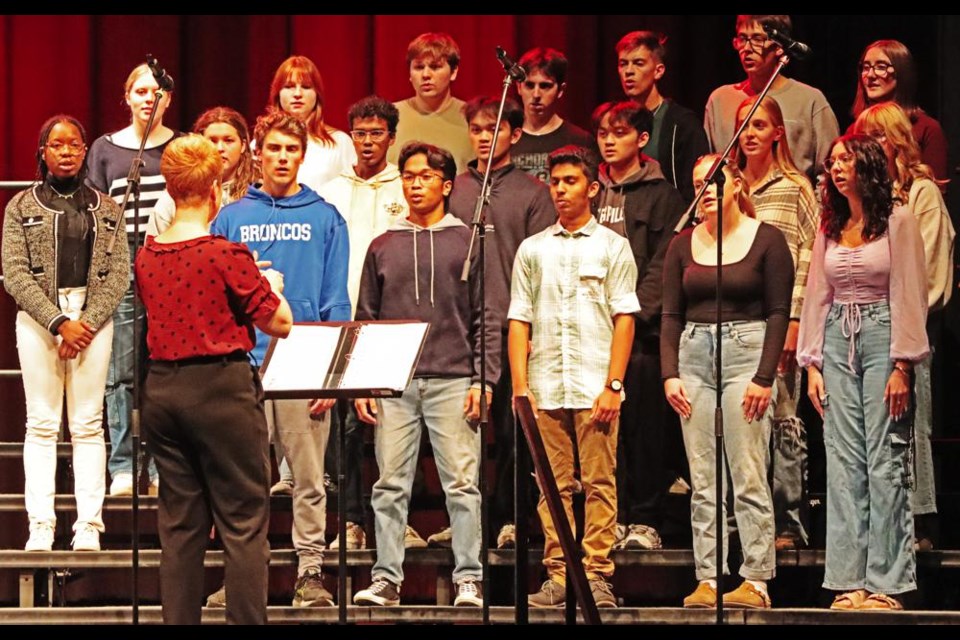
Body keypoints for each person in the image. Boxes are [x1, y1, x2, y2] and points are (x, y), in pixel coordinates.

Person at [136, 135, 292, 624]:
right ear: (215, 192)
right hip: (220, 392)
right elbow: (280, 323)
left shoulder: (147, 255)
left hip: (162, 392)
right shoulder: (226, 253)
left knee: (181, 529)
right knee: (244, 524)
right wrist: (271, 287)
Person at [211, 111, 351, 608]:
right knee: (242, 481)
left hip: (304, 362)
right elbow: (214, 294)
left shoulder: (326, 215)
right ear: (258, 153)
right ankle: (241, 577)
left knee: (309, 479)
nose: (283, 158)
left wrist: (331, 376)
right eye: (274, 149)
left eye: (292, 150)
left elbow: (338, 299)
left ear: (302, 156)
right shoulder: (230, 218)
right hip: (240, 365)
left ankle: (310, 574)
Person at [351, 142, 497, 608]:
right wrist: (364, 383)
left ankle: (469, 578)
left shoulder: (468, 241)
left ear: (447, 184)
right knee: (390, 484)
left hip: (455, 380)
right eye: (409, 176)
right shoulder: (382, 245)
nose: (415, 184)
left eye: (425, 176)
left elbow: (485, 317)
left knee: (462, 484)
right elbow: (366, 318)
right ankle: (386, 579)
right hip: (394, 383)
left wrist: (483, 379)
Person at [798, 134, 929, 611]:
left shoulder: (898, 219)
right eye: (832, 162)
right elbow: (818, 292)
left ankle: (887, 583)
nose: (836, 169)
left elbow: (910, 290)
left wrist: (902, 365)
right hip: (837, 338)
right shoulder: (831, 223)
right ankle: (849, 579)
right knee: (844, 460)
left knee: (885, 458)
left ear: (868, 167)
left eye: (845, 161)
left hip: (881, 334)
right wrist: (812, 363)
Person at [662, 154, 793, 610]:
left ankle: (755, 578)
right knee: (703, 477)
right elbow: (671, 314)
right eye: (699, 183)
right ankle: (709, 577)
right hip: (694, 356)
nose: (707, 189)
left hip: (747, 354)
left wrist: (763, 376)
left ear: (737, 184)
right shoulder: (683, 244)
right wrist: (669, 374)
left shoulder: (767, 240)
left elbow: (779, 311)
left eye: (715, 180)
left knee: (747, 469)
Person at [513, 146, 639, 609]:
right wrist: (521, 387)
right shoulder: (533, 248)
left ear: (592, 187)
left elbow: (624, 317)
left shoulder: (612, 246)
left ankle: (597, 573)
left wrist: (614, 384)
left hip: (594, 384)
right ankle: (560, 574)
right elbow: (519, 319)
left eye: (570, 181)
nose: (561, 189)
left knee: (600, 481)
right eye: (556, 181)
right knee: (552, 485)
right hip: (546, 384)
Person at [3, 115, 128, 553]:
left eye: (74, 144)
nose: (66, 151)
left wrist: (86, 323)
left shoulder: (108, 209)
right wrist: (58, 322)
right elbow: (15, 273)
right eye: (57, 145)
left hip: (92, 321)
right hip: (40, 321)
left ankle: (89, 526)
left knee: (88, 425)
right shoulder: (19, 207)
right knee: (41, 423)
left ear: (84, 151)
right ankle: (41, 525)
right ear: (43, 151)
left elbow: (118, 275)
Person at [448, 95, 556, 550]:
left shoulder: (533, 191)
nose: (484, 137)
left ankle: (512, 518)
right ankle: (464, 525)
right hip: (460, 323)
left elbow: (540, 264)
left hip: (513, 324)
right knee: (458, 430)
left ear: (514, 134)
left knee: (514, 430)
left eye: (493, 129)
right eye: (476, 129)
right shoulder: (455, 188)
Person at [853, 102, 955, 551]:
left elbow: (927, 270)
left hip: (906, 326)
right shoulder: (854, 199)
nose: (871, 147)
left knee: (908, 424)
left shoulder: (920, 193)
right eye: (864, 138)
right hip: (858, 328)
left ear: (897, 143)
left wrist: (901, 326)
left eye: (880, 138)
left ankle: (918, 519)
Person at [86, 62, 183, 497]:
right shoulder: (106, 149)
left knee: (162, 368)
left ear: (168, 99)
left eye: (156, 92)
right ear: (127, 97)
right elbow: (92, 210)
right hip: (120, 259)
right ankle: (124, 465)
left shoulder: (182, 147)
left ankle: (162, 467)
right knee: (120, 369)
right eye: (141, 91)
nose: (149, 98)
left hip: (168, 258)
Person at [592, 101, 685, 552]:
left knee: (644, 430)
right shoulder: (590, 192)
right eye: (604, 134)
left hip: (641, 336)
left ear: (642, 139)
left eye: (620, 133)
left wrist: (629, 315)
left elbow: (663, 266)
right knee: (603, 432)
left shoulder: (662, 196)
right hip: (593, 336)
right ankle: (610, 517)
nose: (609, 141)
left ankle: (646, 519)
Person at [317, 95, 408, 551]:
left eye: (376, 134)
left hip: (393, 323)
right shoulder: (332, 190)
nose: (367, 142)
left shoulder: (403, 187)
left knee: (395, 424)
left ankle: (398, 522)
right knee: (346, 428)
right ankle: (350, 521)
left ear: (392, 137)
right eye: (360, 134)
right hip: (344, 319)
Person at [733, 95, 820, 550]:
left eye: (759, 125)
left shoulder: (794, 186)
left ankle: (788, 519)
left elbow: (809, 254)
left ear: (777, 133)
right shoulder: (729, 187)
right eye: (743, 125)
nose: (750, 133)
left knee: (784, 416)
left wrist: (794, 320)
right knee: (743, 419)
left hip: (778, 318)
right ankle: (746, 519)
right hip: (737, 322)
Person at [704, 14, 839, 183]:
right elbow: (708, 165)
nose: (747, 48)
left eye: (757, 39)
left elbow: (829, 170)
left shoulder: (810, 99)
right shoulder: (720, 99)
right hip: (735, 204)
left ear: (779, 46)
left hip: (792, 202)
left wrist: (812, 205)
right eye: (742, 39)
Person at [616, 30, 709, 204]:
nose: (629, 71)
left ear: (658, 71)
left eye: (638, 63)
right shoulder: (614, 123)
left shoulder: (682, 123)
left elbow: (694, 188)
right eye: (623, 64)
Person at [849, 39, 948, 184]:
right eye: (866, 67)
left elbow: (937, 193)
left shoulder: (927, 129)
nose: (870, 75)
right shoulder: (855, 130)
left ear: (902, 73)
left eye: (881, 67)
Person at [149, 106, 258, 235]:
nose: (220, 148)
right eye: (212, 140)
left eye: (228, 140)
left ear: (243, 146)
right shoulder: (177, 195)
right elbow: (154, 247)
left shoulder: (258, 192)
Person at [267, 55, 356, 191]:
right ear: (277, 94)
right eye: (289, 86)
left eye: (306, 87)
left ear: (317, 94)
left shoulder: (340, 143)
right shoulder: (260, 144)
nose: (297, 93)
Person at [388, 32, 473, 173]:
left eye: (435, 67)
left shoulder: (472, 117)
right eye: (419, 67)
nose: (426, 75)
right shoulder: (390, 116)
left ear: (453, 72)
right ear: (409, 73)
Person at [511, 47, 596, 183]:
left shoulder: (580, 140)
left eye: (545, 86)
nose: (536, 95)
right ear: (519, 87)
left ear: (561, 90)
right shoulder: (504, 139)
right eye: (529, 85)